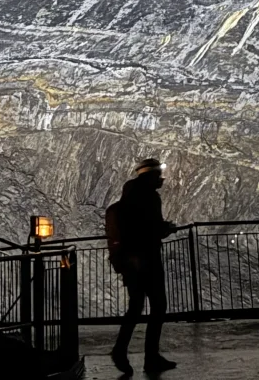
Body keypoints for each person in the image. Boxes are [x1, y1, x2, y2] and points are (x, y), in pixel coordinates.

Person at [105, 158, 179, 374]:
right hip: (147, 260)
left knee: (135, 307)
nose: (161, 179)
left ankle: (121, 350)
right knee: (158, 306)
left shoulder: (127, 199)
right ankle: (150, 357)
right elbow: (151, 229)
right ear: (152, 175)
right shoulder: (149, 198)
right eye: (158, 174)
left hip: (129, 262)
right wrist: (167, 228)